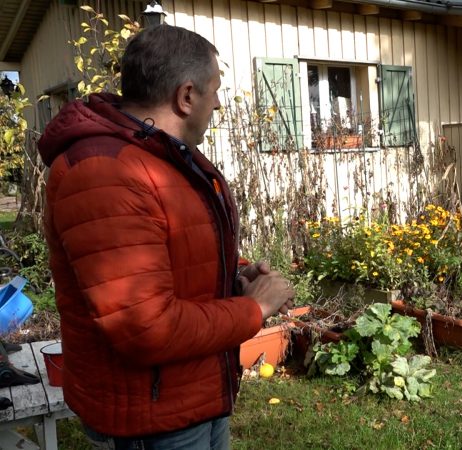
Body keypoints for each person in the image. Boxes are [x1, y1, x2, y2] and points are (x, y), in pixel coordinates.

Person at [37, 24, 294, 449]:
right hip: (150, 416)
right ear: (186, 95)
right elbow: (144, 326)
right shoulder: (104, 172)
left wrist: (235, 277)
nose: (216, 104)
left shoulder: (163, 156)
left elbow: (175, 254)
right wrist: (253, 308)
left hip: (192, 395)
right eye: (214, 90)